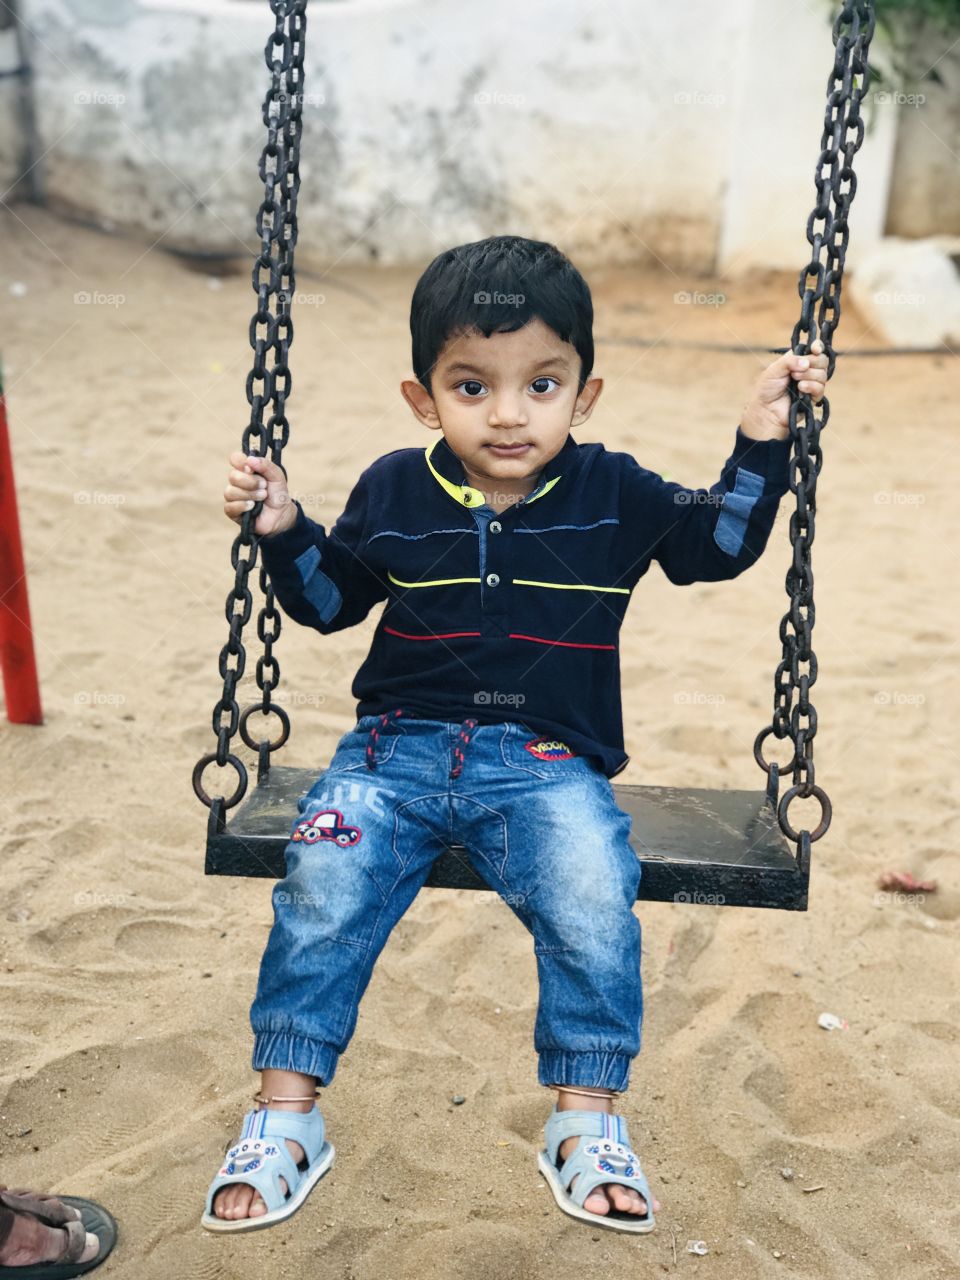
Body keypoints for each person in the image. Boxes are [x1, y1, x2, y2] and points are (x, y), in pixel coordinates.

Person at [202, 236, 828, 1236]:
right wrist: (283, 528)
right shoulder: (395, 488)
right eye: (471, 385)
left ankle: (584, 1120)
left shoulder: (615, 492)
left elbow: (717, 545)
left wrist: (760, 438)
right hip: (389, 752)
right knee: (323, 880)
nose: (506, 412)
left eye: (541, 383)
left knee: (591, 885)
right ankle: (286, 1116)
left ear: (584, 392)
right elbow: (329, 602)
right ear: (424, 399)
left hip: (544, 765)